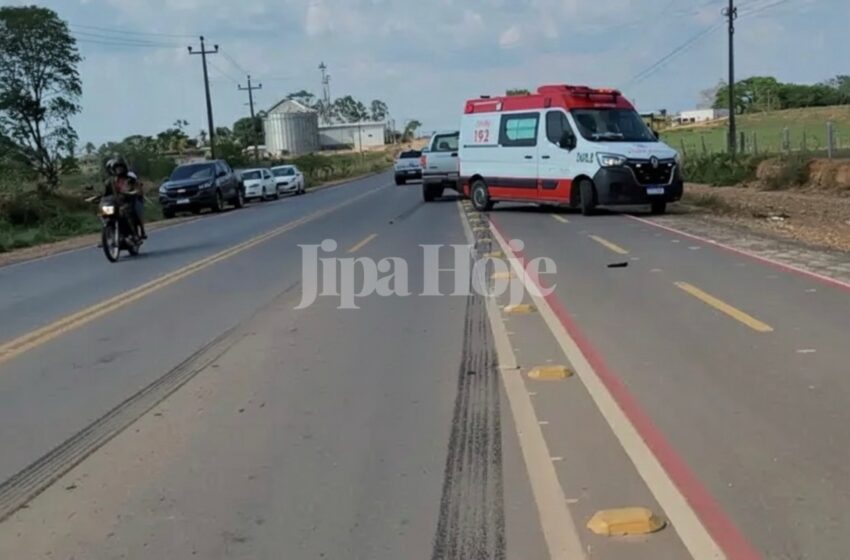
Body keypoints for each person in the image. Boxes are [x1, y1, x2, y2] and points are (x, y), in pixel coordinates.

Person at [104, 157, 146, 239]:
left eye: (120, 167)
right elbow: (105, 194)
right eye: (116, 168)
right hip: (116, 204)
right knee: (105, 212)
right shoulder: (110, 182)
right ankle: (107, 235)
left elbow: (138, 189)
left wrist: (134, 192)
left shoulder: (130, 179)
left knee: (127, 211)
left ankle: (135, 234)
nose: (119, 170)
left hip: (128, 202)